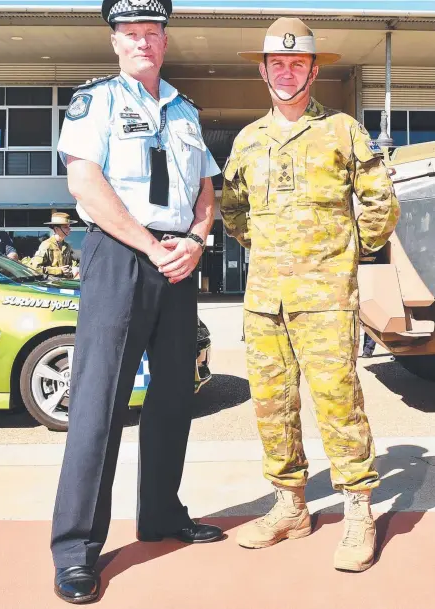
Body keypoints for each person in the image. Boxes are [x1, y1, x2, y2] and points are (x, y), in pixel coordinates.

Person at [51, 0, 222, 603]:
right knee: (98, 405)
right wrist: (150, 244)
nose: (143, 42)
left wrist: (197, 241)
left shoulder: (187, 110)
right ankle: (75, 549)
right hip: (121, 256)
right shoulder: (95, 101)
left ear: (165, 43)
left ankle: (162, 514)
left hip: (178, 259)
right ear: (115, 43)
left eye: (153, 33)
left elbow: (205, 187)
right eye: (132, 34)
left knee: (174, 396)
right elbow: (85, 184)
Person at [221, 17, 400, 572]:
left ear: (314, 70)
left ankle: (357, 513)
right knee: (273, 408)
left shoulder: (344, 129)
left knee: (338, 405)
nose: (287, 71)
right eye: (278, 63)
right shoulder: (248, 139)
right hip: (265, 298)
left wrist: (348, 254)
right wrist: (272, 249)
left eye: (298, 63)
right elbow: (233, 210)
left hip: (326, 299)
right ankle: (290, 508)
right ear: (263, 70)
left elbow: (380, 203)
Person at [29, 211, 79, 278]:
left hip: (64, 284)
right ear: (56, 229)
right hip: (50, 285)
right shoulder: (46, 245)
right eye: (65, 227)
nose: (69, 229)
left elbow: (68, 266)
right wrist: (58, 270)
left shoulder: (67, 246)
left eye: (69, 226)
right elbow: (35, 267)